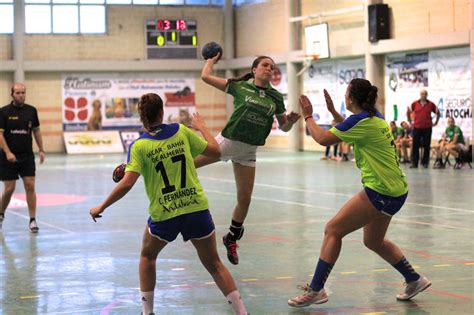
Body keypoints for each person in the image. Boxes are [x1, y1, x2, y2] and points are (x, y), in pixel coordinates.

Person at [89, 93, 247, 315]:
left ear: (142, 118)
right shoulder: (182, 131)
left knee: (147, 256)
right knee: (214, 264)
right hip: (195, 208)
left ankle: (147, 312)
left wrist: (101, 207)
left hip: (165, 213)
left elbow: (126, 184)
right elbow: (216, 151)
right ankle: (242, 312)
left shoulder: (139, 146)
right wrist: (201, 127)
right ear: (162, 112)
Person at [288, 79, 431, 308]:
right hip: (397, 191)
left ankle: (316, 290)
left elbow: (323, 138)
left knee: (333, 229)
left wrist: (308, 116)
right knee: (373, 241)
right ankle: (414, 279)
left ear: (351, 98)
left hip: (380, 191)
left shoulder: (360, 121)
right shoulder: (376, 117)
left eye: (346, 93)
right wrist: (334, 112)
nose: (344, 96)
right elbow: (352, 128)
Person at [197, 54, 301, 265]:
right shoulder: (240, 87)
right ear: (254, 69)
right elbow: (206, 77)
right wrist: (211, 59)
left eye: (272, 67)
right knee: (187, 165)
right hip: (226, 144)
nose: (269, 69)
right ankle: (135, 168)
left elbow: (284, 127)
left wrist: (290, 122)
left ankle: (231, 238)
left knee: (245, 199)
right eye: (265, 65)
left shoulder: (275, 97)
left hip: (248, 151)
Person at [0, 83, 45, 232]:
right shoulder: (4, 112)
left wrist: (41, 149)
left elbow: (36, 131)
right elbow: (0, 135)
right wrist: (7, 152)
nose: (21, 95)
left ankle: (32, 220)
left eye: (23, 93)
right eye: (18, 93)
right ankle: (1, 214)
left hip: (27, 156)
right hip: (8, 157)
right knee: (9, 189)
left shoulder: (31, 111)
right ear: (12, 94)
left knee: (30, 186)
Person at [406, 90, 440, 168]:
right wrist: (410, 122)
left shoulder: (431, 104)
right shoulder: (414, 104)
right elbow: (408, 112)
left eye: (424, 94)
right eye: (422, 94)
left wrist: (436, 122)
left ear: (427, 95)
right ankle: (415, 163)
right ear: (420, 95)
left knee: (426, 145)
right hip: (417, 127)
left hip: (427, 127)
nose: (423, 95)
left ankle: (425, 162)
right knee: (415, 146)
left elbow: (438, 113)